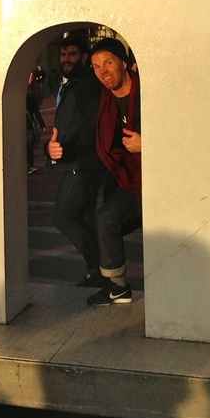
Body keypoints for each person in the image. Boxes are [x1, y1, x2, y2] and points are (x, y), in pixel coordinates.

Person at [46, 30, 104, 287]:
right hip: (78, 160)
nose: (66, 59)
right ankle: (100, 271)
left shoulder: (86, 86)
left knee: (64, 216)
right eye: (63, 54)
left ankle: (100, 267)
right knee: (85, 217)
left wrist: (63, 150)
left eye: (72, 54)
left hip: (83, 162)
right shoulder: (72, 84)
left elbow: (87, 128)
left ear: (84, 57)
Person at [87, 37, 142, 306]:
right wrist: (52, 148)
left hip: (162, 178)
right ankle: (117, 286)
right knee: (104, 216)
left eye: (108, 62)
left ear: (124, 62)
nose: (103, 71)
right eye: (96, 66)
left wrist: (149, 144)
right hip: (126, 179)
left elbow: (185, 129)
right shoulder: (104, 101)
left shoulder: (147, 92)